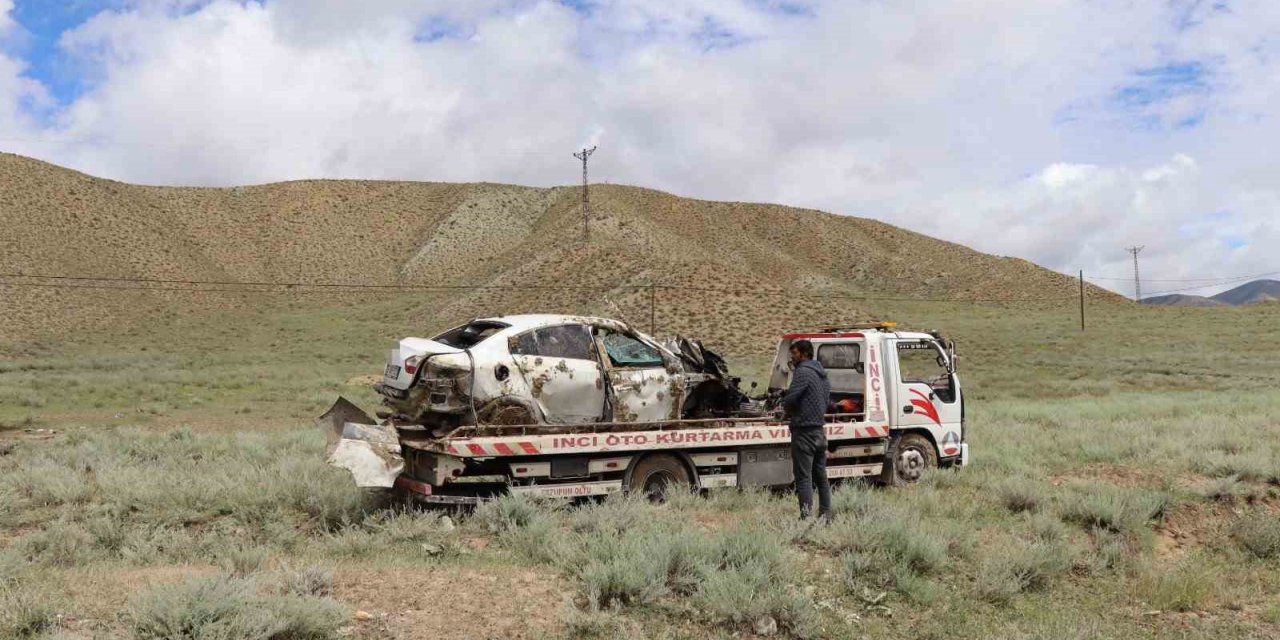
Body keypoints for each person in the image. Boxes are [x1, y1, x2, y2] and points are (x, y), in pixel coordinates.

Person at [782, 339, 832, 521]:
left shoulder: (802, 372)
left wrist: (787, 413)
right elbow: (827, 401)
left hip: (804, 433)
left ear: (804, 354)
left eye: (794, 354)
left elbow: (790, 400)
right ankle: (826, 516)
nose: (792, 357)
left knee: (803, 478)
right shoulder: (823, 375)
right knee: (821, 477)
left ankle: (806, 519)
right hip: (819, 431)